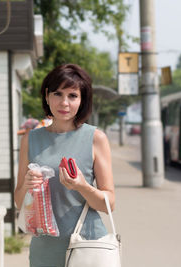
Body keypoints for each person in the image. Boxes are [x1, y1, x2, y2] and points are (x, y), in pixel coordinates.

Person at [14, 64, 115, 267]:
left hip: (87, 246)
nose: (64, 103)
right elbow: (18, 202)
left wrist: (81, 186)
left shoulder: (95, 138)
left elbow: (109, 204)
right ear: (46, 95)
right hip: (44, 250)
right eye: (58, 94)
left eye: (72, 96)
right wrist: (26, 184)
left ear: (82, 99)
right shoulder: (30, 139)